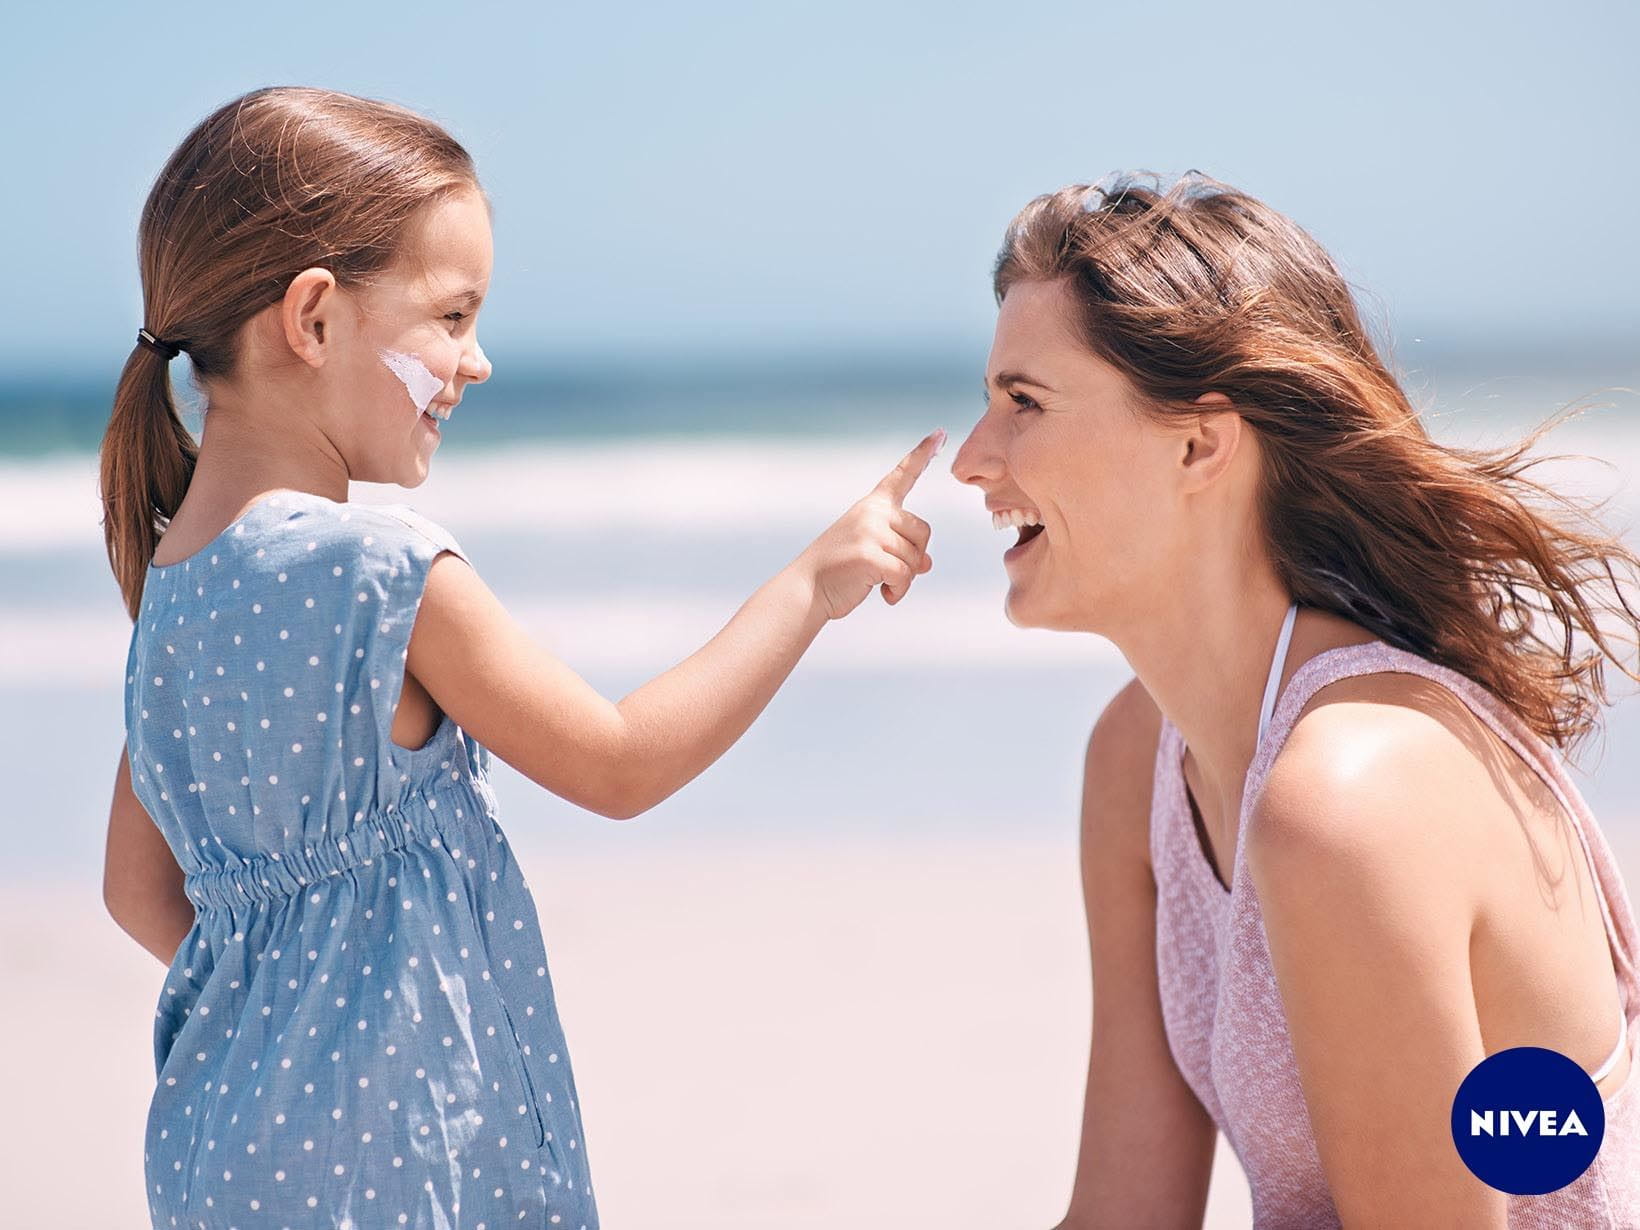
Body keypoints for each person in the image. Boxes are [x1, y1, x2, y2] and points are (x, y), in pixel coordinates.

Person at [99, 86, 941, 1230]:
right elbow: (620, 763)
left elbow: (136, 891)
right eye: (451, 317)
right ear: (312, 319)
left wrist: (290, 1008)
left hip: (224, 1153)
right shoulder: (379, 577)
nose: (477, 360)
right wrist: (810, 585)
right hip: (410, 1164)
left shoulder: (170, 598)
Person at [950, 169, 1640, 1227]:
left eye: (1022, 403)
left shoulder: (1349, 794)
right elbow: (1124, 1214)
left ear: (1198, 442)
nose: (970, 459)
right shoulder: (1136, 756)